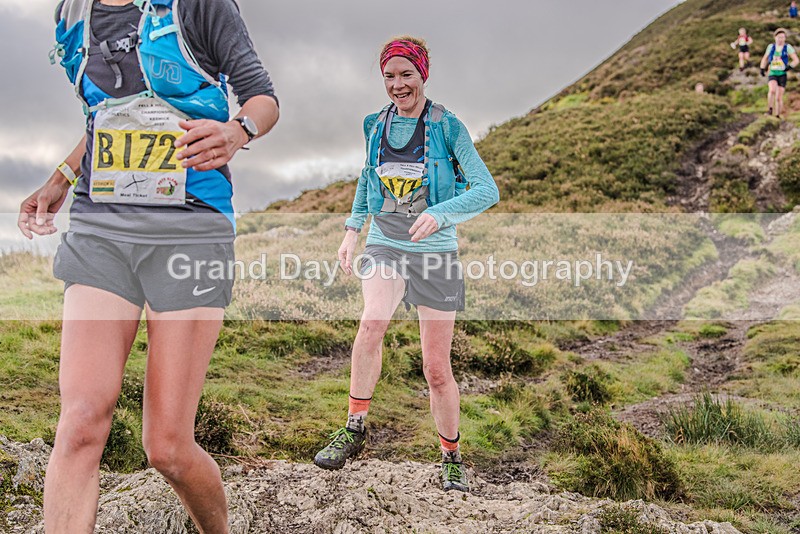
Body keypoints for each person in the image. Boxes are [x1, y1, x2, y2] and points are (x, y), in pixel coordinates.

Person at [18, 0, 279, 532]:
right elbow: (107, 112)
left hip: (190, 229)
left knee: (167, 447)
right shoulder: (73, 14)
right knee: (81, 423)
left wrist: (236, 132)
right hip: (102, 229)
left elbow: (262, 97)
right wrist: (62, 177)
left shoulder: (198, 7)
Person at [313, 36, 500, 493]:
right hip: (386, 244)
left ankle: (451, 456)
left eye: (406, 75)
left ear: (423, 75)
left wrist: (441, 213)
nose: (398, 85)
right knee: (372, 322)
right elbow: (367, 178)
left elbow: (486, 189)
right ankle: (354, 428)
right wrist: (352, 231)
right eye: (389, 76)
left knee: (436, 369)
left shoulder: (447, 126)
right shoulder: (374, 125)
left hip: (436, 253)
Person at [760, 28, 800, 117]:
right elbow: (765, 58)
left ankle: (777, 115)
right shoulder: (771, 47)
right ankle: (770, 110)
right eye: (779, 37)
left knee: (779, 97)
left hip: (782, 74)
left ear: (785, 38)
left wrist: (789, 67)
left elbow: (796, 60)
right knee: (772, 90)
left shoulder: (787, 47)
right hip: (772, 72)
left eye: (782, 37)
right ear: (775, 37)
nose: (780, 39)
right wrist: (762, 68)